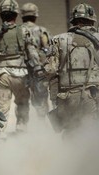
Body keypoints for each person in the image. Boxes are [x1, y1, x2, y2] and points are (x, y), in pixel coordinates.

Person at [0, 0, 43, 139]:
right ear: (16, 14)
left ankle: (0, 142)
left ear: (1, 15)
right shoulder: (25, 31)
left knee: (2, 110)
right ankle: (21, 133)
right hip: (21, 75)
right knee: (22, 105)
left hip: (2, 75)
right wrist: (37, 71)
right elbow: (32, 53)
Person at [44, 3, 99, 137]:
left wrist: (54, 98)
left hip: (66, 97)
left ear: (73, 21)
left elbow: (50, 70)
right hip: (93, 96)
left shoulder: (58, 39)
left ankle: (70, 157)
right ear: (92, 20)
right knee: (92, 135)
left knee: (70, 133)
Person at [20, 2, 53, 118]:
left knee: (21, 100)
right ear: (35, 15)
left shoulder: (18, 30)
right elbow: (48, 49)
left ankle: (22, 125)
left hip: (21, 70)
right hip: (38, 70)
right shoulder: (41, 31)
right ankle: (42, 124)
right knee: (41, 98)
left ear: (22, 15)